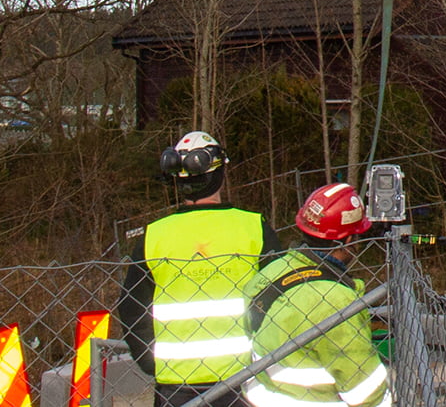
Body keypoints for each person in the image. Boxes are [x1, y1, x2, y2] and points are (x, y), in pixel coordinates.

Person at [117, 131, 275, 407]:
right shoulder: (252, 228)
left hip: (176, 384)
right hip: (245, 377)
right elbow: (282, 297)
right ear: (219, 172)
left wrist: (153, 362)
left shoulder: (155, 236)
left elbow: (131, 307)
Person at [243, 183, 388, 407]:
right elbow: (364, 390)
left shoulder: (270, 272)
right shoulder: (336, 300)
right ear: (349, 241)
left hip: (261, 397)